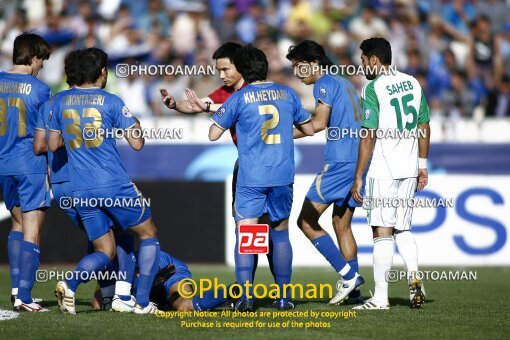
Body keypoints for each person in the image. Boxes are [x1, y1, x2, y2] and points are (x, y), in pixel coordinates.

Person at [48, 47, 159, 314]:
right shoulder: (111, 101)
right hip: (114, 184)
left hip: (81, 189)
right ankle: (141, 302)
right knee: (149, 234)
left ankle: (71, 285)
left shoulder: (61, 101)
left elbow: (53, 144)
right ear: (102, 73)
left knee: (106, 249)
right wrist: (132, 121)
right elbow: (137, 143)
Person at [209, 45, 315, 311]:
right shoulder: (288, 93)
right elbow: (310, 128)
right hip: (282, 175)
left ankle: (245, 295)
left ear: (243, 70)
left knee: (249, 232)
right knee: (279, 234)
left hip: (252, 177)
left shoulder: (240, 97)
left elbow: (213, 133)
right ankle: (284, 297)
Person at [160, 42, 276, 282]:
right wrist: (175, 105)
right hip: (254, 166)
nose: (221, 75)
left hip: (261, 168)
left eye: (225, 69)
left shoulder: (253, 91)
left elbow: (231, 108)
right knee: (249, 230)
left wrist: (210, 107)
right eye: (218, 70)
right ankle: (248, 289)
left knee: (268, 230)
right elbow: (197, 104)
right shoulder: (225, 92)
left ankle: (278, 289)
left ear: (241, 66)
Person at [351, 37, 430, 310]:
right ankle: (415, 277)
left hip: (384, 169)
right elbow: (424, 125)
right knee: (404, 228)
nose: (361, 67)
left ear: (374, 60)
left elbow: (368, 135)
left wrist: (359, 175)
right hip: (409, 168)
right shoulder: (412, 82)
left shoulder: (372, 88)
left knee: (381, 232)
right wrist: (422, 165)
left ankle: (381, 298)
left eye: (362, 61)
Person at [286, 40, 365, 305]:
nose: (297, 72)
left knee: (306, 221)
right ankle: (353, 292)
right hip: (358, 161)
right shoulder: (345, 82)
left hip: (340, 162)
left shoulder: (325, 83)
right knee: (341, 224)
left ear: (315, 63)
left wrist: (282, 136)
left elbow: (318, 123)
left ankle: (348, 276)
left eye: (299, 66)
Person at [0, 32, 51, 312]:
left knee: (17, 225)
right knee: (32, 229)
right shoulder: (41, 90)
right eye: (42, 59)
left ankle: (17, 289)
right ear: (34, 56)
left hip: (3, 164)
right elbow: (45, 137)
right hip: (29, 163)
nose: (42, 65)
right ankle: (25, 297)